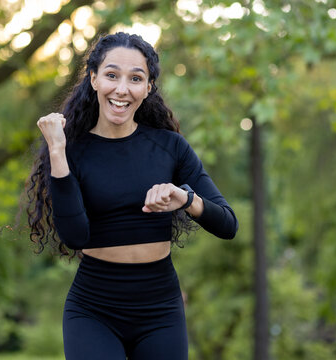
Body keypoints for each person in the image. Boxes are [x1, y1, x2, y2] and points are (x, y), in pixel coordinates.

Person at [26, 32, 238, 360]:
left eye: (135, 78)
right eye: (112, 75)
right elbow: (75, 236)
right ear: (94, 78)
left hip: (160, 310)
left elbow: (228, 224)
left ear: (148, 87)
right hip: (93, 310)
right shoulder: (72, 152)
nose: (122, 89)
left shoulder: (170, 147)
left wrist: (185, 198)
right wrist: (57, 150)